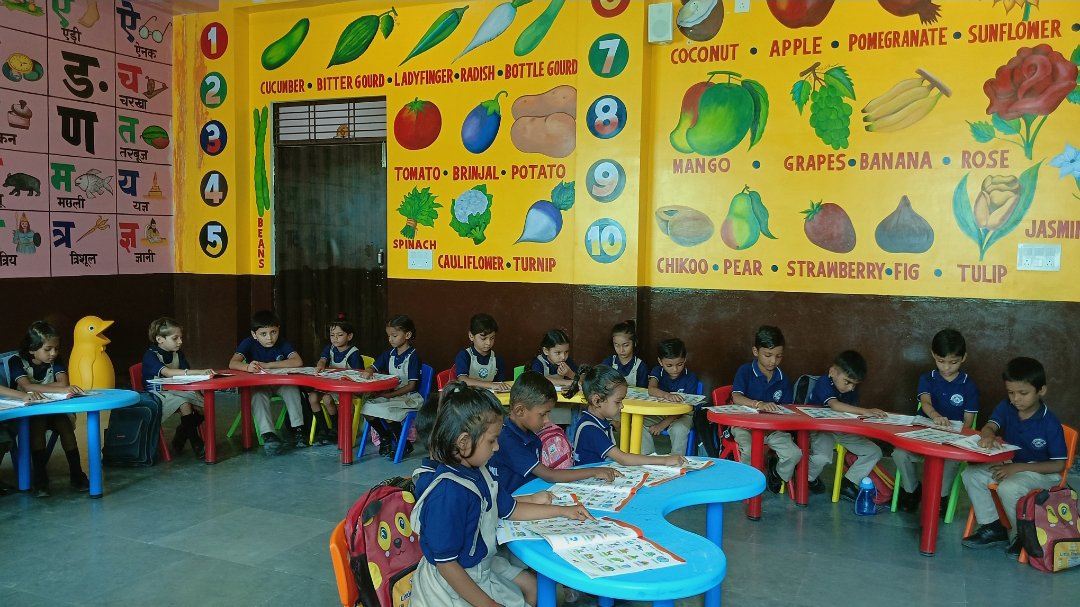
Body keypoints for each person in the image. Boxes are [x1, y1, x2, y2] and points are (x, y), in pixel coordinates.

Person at [409, 382, 590, 607]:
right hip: (449, 589)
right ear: (464, 443)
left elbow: (511, 508)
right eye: (491, 441)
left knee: (534, 591)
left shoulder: (479, 472)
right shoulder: (448, 493)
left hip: (480, 567)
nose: (496, 448)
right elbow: (447, 565)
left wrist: (563, 512)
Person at [961, 357, 1068, 554]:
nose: (1016, 399)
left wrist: (1017, 468)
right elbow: (990, 426)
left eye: (1023, 393)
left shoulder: (1050, 423)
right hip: (1012, 465)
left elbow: (1058, 465)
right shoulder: (1006, 407)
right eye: (1011, 392)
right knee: (971, 475)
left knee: (1008, 488)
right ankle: (993, 527)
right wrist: (988, 435)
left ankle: (1022, 535)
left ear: (1041, 390)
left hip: (1044, 474)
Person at [488, 370, 619, 496]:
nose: (547, 420)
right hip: (515, 501)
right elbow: (549, 475)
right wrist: (594, 472)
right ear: (520, 411)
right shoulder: (507, 440)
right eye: (543, 414)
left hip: (532, 492)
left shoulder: (527, 430)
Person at [894, 329, 981, 513]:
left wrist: (957, 438)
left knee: (952, 461)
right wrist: (935, 416)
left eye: (953, 362)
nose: (947, 367)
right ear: (933, 355)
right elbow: (925, 402)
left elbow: (968, 421)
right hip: (924, 438)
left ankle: (940, 497)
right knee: (900, 453)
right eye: (941, 361)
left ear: (964, 358)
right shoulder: (927, 379)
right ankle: (912, 490)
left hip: (950, 441)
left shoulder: (969, 385)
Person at [8, 321, 88, 497]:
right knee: (38, 425)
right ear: (32, 349)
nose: (53, 353)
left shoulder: (55, 360)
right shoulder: (16, 361)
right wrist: (57, 389)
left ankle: (77, 474)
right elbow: (27, 386)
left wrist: (43, 389)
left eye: (56, 349)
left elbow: (64, 383)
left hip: (53, 410)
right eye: (48, 349)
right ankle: (41, 479)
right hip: (29, 413)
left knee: (65, 426)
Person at [806, 350, 886, 501]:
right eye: (847, 382)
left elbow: (850, 413)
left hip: (841, 430)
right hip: (821, 430)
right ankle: (807, 478)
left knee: (874, 451)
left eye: (855, 384)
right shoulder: (824, 382)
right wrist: (866, 411)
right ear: (832, 372)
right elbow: (834, 405)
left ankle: (848, 483)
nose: (851, 388)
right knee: (822, 457)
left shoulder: (850, 390)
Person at [729, 326, 799, 494]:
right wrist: (758, 404)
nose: (773, 361)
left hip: (772, 429)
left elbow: (787, 407)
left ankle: (776, 473)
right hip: (744, 426)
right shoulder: (745, 371)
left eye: (778, 356)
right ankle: (747, 484)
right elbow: (736, 397)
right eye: (768, 355)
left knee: (794, 453)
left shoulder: (782, 378)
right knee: (749, 450)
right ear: (756, 351)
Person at [573, 365, 685, 467]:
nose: (621, 406)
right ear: (597, 401)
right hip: (590, 479)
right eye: (618, 402)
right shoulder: (590, 428)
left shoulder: (597, 421)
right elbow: (623, 459)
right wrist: (665, 460)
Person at [228, 310, 305, 455]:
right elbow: (233, 363)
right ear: (254, 334)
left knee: (292, 390)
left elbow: (297, 361)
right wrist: (247, 367)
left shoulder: (282, 342)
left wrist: (269, 365)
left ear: (278, 330)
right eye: (263, 334)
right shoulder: (248, 343)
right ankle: (269, 435)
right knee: (257, 396)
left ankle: (298, 430)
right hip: (260, 385)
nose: (269, 338)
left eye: (273, 332)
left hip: (280, 383)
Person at [142, 317, 213, 458]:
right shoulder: (150, 355)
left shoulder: (178, 353)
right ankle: (196, 442)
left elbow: (186, 377)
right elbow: (168, 373)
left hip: (176, 390)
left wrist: (197, 393)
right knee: (184, 403)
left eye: (181, 337)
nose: (180, 341)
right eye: (175, 338)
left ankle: (182, 432)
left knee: (205, 405)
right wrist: (199, 372)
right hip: (157, 394)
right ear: (159, 339)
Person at [361, 314, 424, 458]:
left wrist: (389, 395)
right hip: (392, 396)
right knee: (366, 409)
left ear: (407, 335)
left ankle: (404, 444)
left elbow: (412, 386)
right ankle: (385, 437)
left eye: (394, 335)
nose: (390, 339)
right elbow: (374, 367)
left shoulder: (413, 357)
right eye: (389, 336)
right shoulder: (389, 354)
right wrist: (369, 370)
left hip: (409, 397)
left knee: (388, 412)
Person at [307, 314, 361, 446]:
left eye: (339, 335)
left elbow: (358, 375)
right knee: (312, 397)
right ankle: (323, 429)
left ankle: (336, 428)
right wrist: (321, 364)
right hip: (330, 387)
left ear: (349, 336)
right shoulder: (330, 348)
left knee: (326, 399)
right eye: (332, 335)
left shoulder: (354, 354)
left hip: (348, 389)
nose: (335, 338)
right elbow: (323, 359)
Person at [643, 338, 699, 456]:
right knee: (639, 424)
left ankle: (676, 460)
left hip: (683, 415)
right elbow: (651, 389)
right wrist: (667, 395)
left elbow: (687, 408)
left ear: (685, 359)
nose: (675, 369)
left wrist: (662, 425)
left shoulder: (691, 378)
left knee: (679, 429)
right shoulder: (657, 371)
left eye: (680, 364)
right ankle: (647, 458)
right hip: (660, 412)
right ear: (660, 361)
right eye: (669, 365)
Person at [455, 313, 509, 391]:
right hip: (468, 396)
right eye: (483, 338)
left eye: (492, 338)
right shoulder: (464, 355)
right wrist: (491, 385)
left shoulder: (497, 358)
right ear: (471, 336)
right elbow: (463, 380)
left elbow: (500, 382)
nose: (488, 343)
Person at [602, 319, 648, 388]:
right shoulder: (608, 363)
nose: (621, 350)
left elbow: (642, 390)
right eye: (617, 345)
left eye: (626, 345)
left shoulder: (641, 367)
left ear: (634, 343)